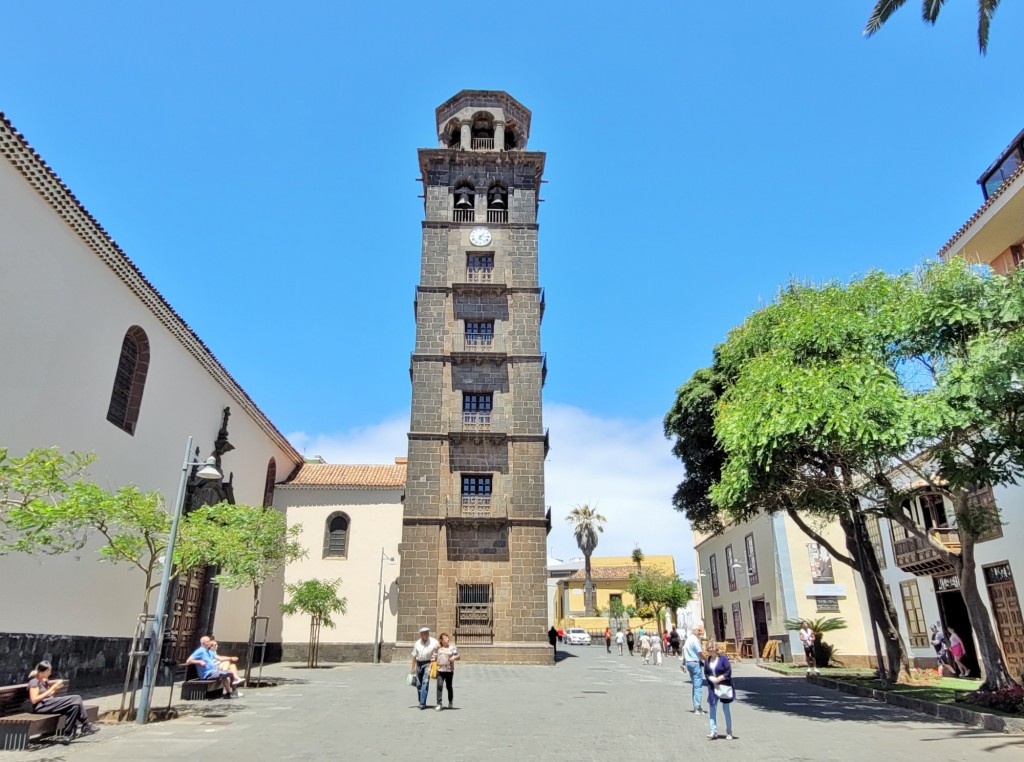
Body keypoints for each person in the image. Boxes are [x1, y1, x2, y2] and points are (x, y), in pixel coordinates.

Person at [27, 661, 99, 740]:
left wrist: (55, 689)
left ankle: (67, 735)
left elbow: (49, 694)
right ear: (42, 672)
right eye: (48, 671)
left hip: (49, 703)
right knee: (77, 698)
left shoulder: (44, 681)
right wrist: (52, 688)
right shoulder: (34, 682)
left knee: (75, 707)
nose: (50, 673)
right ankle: (86, 724)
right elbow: (34, 700)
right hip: (41, 706)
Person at [703, 640, 734, 740]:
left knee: (726, 709)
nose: (710, 649)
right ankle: (713, 731)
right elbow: (706, 673)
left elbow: (728, 672)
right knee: (712, 708)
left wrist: (720, 678)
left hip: (724, 686)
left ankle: (729, 732)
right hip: (713, 687)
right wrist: (711, 678)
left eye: (711, 647)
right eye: (708, 648)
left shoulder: (723, 659)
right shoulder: (707, 660)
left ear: (716, 648)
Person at [410, 626, 439, 709]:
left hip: (428, 664)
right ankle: (421, 700)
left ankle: (422, 703)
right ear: (421, 635)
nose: (426, 635)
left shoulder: (433, 642)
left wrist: (438, 649)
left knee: (425, 682)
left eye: (427, 633)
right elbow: (414, 656)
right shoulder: (417, 643)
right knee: (418, 684)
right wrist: (413, 667)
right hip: (419, 664)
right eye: (424, 633)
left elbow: (440, 646)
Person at [433, 633, 459, 710]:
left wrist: (454, 657)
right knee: (439, 686)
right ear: (441, 640)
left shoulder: (452, 647)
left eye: (447, 638)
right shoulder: (438, 648)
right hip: (440, 670)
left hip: (449, 670)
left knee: (449, 686)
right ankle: (439, 703)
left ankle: (450, 701)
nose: (447, 639)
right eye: (445, 638)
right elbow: (433, 657)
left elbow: (458, 656)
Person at [682, 624, 705, 714]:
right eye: (699, 630)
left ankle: (696, 705)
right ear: (694, 631)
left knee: (695, 684)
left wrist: (683, 663)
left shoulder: (688, 640)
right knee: (698, 685)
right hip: (695, 662)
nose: (700, 632)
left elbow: (684, 651)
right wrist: (707, 660)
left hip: (689, 663)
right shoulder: (694, 640)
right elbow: (700, 653)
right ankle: (697, 707)